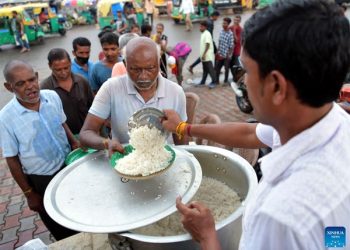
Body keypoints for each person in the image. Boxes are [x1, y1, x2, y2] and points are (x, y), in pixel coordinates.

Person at [161, 0, 350, 249]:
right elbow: (249, 132)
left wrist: (207, 235)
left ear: (276, 86)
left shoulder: (279, 216)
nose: (244, 82)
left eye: (247, 71)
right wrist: (185, 128)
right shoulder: (331, 119)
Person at [0, 60, 79, 240]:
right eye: (20, 84)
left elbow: (61, 122)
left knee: (79, 211)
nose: (30, 87)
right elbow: (11, 159)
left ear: (36, 77)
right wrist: (29, 193)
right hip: (42, 179)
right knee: (61, 227)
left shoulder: (52, 97)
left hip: (67, 165)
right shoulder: (6, 118)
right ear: (8, 87)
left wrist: (74, 143)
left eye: (31, 80)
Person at [79, 37, 187, 156]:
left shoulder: (175, 92)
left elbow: (181, 141)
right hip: (126, 161)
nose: (143, 76)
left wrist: (181, 135)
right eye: (135, 69)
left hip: (165, 159)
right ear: (125, 64)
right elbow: (86, 133)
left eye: (150, 68)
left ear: (158, 63)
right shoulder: (111, 88)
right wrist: (106, 143)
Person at [41, 48, 94, 135]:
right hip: (63, 137)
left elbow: (93, 107)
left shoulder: (82, 81)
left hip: (87, 134)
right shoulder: (45, 88)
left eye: (66, 68)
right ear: (50, 66)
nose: (63, 72)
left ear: (70, 63)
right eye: (58, 70)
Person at [196, 21, 217, 89]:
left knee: (210, 69)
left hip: (207, 56)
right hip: (204, 56)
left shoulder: (207, 34)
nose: (200, 28)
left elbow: (207, 44)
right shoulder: (203, 33)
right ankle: (203, 82)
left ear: (205, 27)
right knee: (205, 69)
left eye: (201, 27)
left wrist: (204, 54)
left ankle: (214, 82)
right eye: (200, 26)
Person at [215, 17, 233, 85]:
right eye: (223, 23)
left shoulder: (230, 33)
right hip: (220, 53)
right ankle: (217, 81)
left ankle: (225, 81)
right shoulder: (221, 31)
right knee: (217, 68)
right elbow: (219, 41)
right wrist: (217, 51)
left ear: (228, 24)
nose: (223, 24)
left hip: (227, 55)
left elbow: (231, 46)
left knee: (226, 68)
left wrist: (228, 55)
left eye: (225, 23)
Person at [229, 15, 243, 80]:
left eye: (238, 20)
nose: (236, 21)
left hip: (236, 49)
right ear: (233, 19)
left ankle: (238, 77)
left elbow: (237, 40)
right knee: (230, 64)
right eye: (235, 20)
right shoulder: (230, 27)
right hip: (230, 49)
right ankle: (234, 77)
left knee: (236, 64)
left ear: (240, 21)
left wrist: (234, 30)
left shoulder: (240, 29)